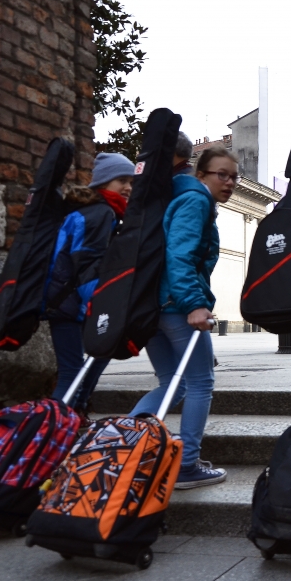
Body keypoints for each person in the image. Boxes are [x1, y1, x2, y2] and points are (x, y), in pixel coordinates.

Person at [129, 145, 237, 489]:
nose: (230, 182)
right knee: (200, 382)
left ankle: (122, 445)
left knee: (171, 384)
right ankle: (187, 463)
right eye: (222, 174)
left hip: (154, 306)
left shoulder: (177, 195)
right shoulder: (196, 200)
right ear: (200, 174)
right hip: (177, 306)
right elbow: (181, 254)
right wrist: (194, 303)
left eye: (234, 176)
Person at [43, 152, 134, 423]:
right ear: (104, 182)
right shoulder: (102, 212)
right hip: (72, 303)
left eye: (131, 181)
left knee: (97, 355)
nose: (128, 187)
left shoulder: (87, 210)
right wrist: (99, 302)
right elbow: (88, 262)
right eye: (121, 180)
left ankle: (75, 413)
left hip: (62, 301)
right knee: (75, 370)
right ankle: (50, 430)